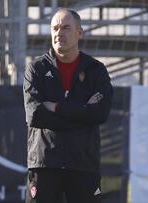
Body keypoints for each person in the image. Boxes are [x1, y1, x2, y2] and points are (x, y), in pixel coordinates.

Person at [23, 9, 113, 203]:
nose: (59, 33)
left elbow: (100, 113)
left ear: (79, 33)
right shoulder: (36, 68)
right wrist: (82, 112)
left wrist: (56, 108)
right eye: (55, 28)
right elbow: (35, 116)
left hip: (83, 165)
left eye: (65, 28)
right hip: (44, 165)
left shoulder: (96, 70)